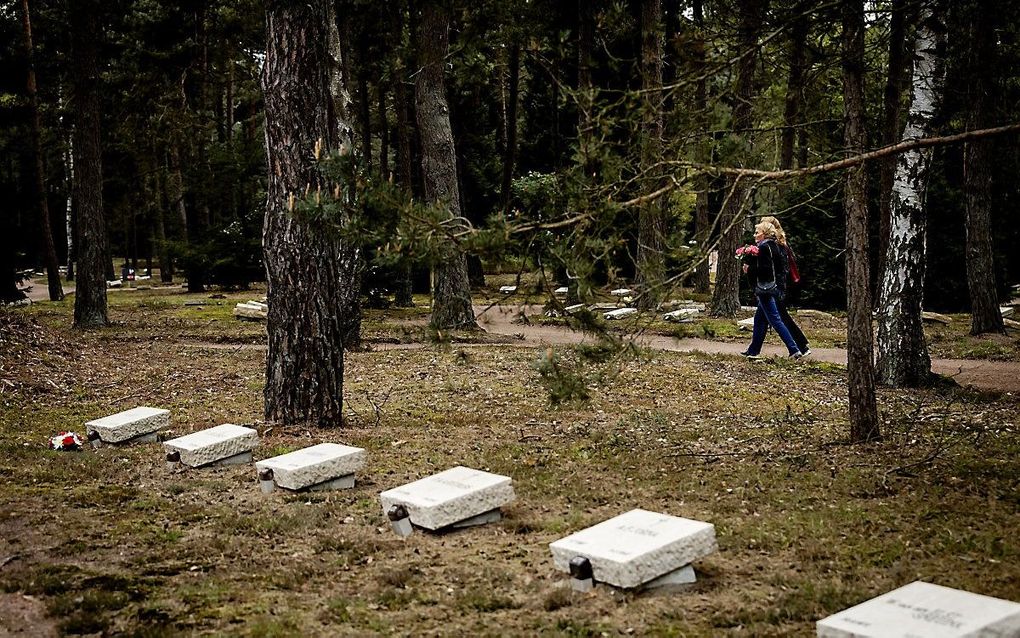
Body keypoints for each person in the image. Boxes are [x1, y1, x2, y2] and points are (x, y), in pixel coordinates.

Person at [741, 220, 803, 359]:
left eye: (757, 232)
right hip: (773, 287)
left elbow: (765, 269)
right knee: (760, 320)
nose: (754, 235)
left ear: (764, 234)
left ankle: (794, 349)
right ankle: (753, 350)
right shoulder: (774, 246)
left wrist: (749, 269)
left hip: (765, 289)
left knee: (775, 320)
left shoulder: (764, 248)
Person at [760, 215, 810, 356]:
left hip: (774, 286)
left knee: (780, 317)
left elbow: (778, 268)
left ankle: (799, 346)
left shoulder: (774, 245)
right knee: (765, 318)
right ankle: (754, 348)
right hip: (778, 285)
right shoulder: (781, 244)